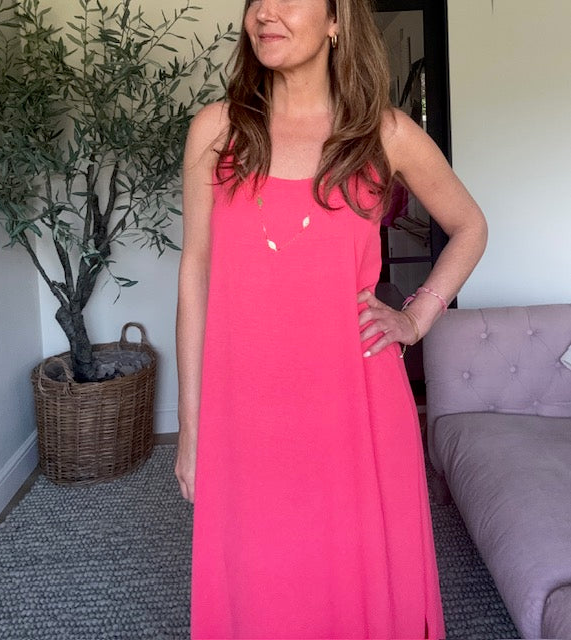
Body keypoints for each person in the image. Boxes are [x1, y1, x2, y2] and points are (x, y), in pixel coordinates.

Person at [175, 0, 487, 637]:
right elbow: (195, 275)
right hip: (246, 410)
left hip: (357, 403)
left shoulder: (385, 133)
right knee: (261, 583)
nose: (266, 12)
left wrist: (417, 317)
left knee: (357, 578)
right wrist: (190, 428)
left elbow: (469, 227)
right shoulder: (216, 129)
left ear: (337, 20)